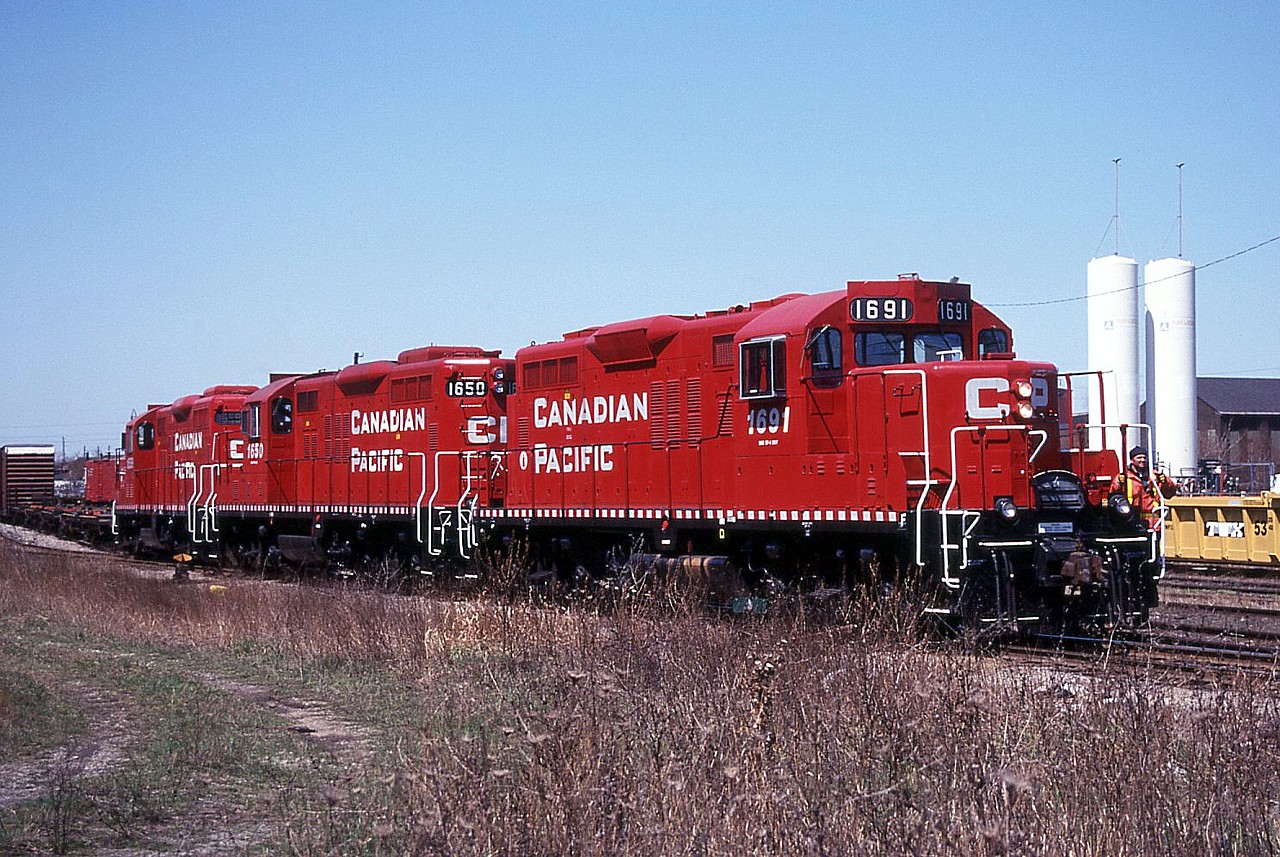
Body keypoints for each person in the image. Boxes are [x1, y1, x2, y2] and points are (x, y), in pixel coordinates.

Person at [1110, 446, 1178, 528]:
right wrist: (1119, 483)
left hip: (1153, 522)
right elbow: (1114, 494)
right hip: (1130, 522)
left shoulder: (1156, 476)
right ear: (1132, 460)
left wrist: (1166, 482)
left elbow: (1170, 493)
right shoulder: (1125, 477)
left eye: (1144, 458)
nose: (1142, 460)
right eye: (1139, 457)